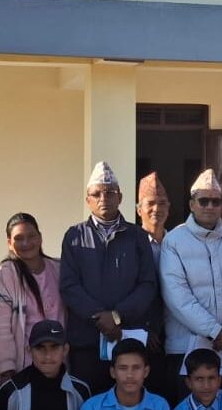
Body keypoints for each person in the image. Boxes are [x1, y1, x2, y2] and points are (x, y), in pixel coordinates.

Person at [59, 161, 159, 395]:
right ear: (88, 200)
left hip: (127, 339)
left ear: (120, 197)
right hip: (87, 342)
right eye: (97, 194)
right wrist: (100, 318)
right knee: (88, 405)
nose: (104, 198)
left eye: (110, 193)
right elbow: (69, 286)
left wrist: (116, 316)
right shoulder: (74, 236)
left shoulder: (137, 237)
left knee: (128, 403)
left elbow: (147, 285)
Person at [160, 169, 222, 397]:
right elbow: (177, 297)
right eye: (204, 201)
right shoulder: (174, 241)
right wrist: (214, 331)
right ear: (192, 204)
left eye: (216, 201)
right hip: (185, 347)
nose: (210, 206)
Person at [0, 212, 64, 381]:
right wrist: (6, 369)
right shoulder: (6, 276)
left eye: (32, 236)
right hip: (24, 370)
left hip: (60, 367)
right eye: (19, 238)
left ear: (40, 237)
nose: (26, 243)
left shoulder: (58, 269)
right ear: (9, 243)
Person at [136, 172, 175, 402]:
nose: (156, 209)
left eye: (162, 204)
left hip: (175, 331)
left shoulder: (177, 242)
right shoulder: (130, 244)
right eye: (150, 203)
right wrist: (144, 328)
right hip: (144, 333)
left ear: (169, 208)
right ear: (139, 209)